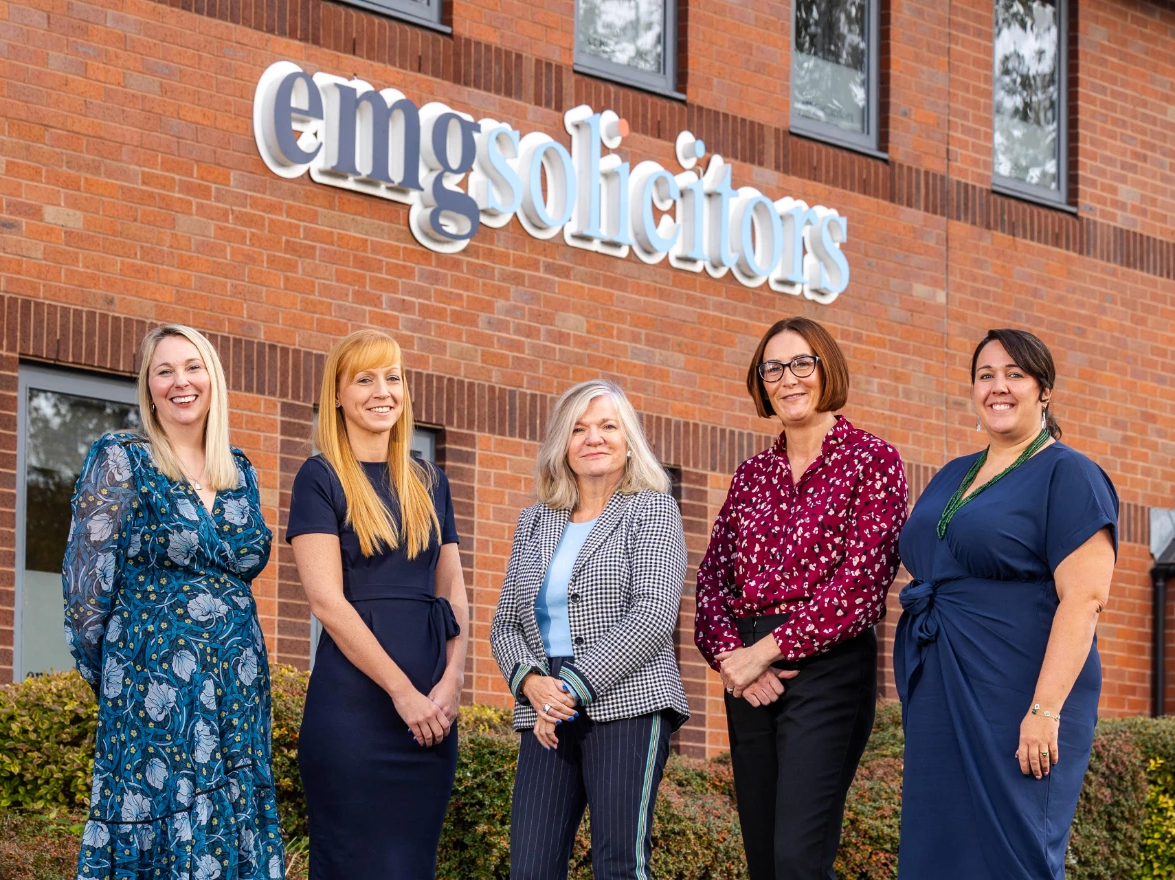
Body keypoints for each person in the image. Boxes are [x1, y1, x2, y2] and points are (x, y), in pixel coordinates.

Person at [893, 329, 1118, 879]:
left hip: (1018, 693)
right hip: (942, 686)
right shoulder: (953, 474)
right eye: (986, 375)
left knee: (1015, 856)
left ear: (1044, 390)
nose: (999, 387)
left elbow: (1085, 599)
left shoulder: (1070, 474)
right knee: (938, 853)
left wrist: (1044, 713)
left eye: (1015, 374)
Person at [64, 324, 284, 879]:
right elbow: (85, 591)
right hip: (151, 691)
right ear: (149, 386)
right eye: (164, 371)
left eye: (192, 367)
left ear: (213, 379)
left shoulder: (240, 471)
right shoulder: (122, 459)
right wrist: (124, 674)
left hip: (237, 693)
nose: (180, 382)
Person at [694, 316, 910, 880]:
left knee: (798, 858)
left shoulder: (872, 461)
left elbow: (861, 587)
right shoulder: (750, 476)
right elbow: (713, 581)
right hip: (747, 677)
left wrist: (766, 650)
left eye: (800, 363)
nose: (787, 378)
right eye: (772, 368)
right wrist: (732, 659)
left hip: (828, 672)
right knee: (765, 861)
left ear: (826, 368)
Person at [490, 379, 690, 880]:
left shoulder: (652, 509)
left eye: (607, 426)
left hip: (627, 698)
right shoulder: (535, 520)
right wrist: (532, 684)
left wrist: (570, 688)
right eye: (578, 428)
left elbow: (653, 614)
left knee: (619, 865)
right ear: (563, 443)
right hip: (545, 706)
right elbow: (505, 622)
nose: (593, 438)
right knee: (530, 868)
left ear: (629, 440)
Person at [287, 329, 467, 879]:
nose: (382, 391)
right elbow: (326, 602)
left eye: (393, 378)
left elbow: (454, 590)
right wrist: (403, 694)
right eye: (364, 379)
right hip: (355, 717)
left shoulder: (429, 481)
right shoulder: (319, 478)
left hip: (432, 717)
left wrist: (452, 683)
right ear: (337, 394)